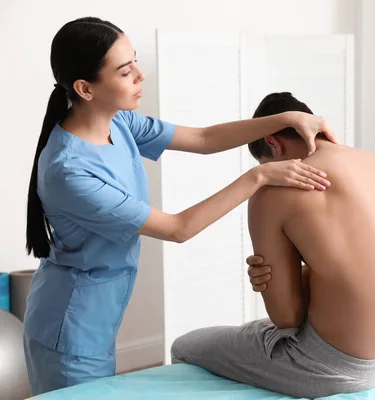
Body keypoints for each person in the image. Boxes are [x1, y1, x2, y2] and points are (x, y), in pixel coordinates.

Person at [23, 19, 335, 396]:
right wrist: (260, 176)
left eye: (134, 62)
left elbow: (204, 138)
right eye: (125, 71)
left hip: (96, 317)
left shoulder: (118, 122)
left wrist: (286, 118)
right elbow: (177, 228)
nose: (140, 75)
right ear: (85, 88)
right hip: (71, 330)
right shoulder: (69, 172)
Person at [170, 92, 375, 398]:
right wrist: (308, 271)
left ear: (273, 145)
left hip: (335, 367)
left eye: (268, 163)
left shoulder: (275, 189)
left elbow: (287, 319)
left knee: (184, 346)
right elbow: (364, 270)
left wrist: (274, 281)